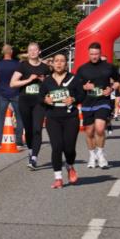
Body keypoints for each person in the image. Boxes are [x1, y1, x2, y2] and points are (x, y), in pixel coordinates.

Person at [40, 53, 84, 188]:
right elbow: (40, 97)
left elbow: (82, 95)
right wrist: (45, 100)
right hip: (53, 117)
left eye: (62, 61)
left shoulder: (74, 79)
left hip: (70, 117)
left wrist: (73, 99)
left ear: (66, 64)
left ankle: (70, 165)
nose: (59, 63)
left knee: (69, 148)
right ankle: (58, 177)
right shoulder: (47, 81)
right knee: (57, 146)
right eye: (56, 61)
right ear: (52, 64)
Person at [76, 41, 120, 169]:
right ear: (88, 54)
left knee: (100, 128)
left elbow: (118, 80)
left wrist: (111, 89)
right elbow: (76, 86)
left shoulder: (108, 67)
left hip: (103, 101)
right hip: (87, 102)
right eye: (92, 54)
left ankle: (101, 154)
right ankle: (92, 155)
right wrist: (84, 86)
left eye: (96, 54)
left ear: (100, 53)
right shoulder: (82, 69)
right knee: (89, 132)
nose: (94, 56)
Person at [10, 42, 51, 169]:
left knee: (37, 129)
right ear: (28, 53)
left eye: (35, 50)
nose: (33, 52)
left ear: (39, 51)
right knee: (28, 130)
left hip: (39, 102)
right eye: (30, 50)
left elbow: (52, 84)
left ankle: (34, 157)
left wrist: (45, 81)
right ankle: (30, 149)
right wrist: (29, 80)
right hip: (25, 101)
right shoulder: (22, 66)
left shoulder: (45, 67)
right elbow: (12, 83)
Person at [0, 44, 20, 143]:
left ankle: (1, 139)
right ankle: (18, 139)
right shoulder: (17, 64)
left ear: (3, 53)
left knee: (1, 116)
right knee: (19, 116)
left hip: (2, 93)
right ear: (11, 52)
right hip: (16, 92)